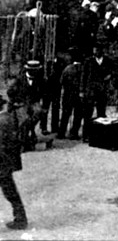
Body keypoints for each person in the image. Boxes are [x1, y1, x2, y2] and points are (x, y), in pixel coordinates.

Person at [0, 95, 27, 230]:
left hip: (2, 162)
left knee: (9, 191)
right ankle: (21, 218)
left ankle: (21, 219)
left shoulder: (2, 121)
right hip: (5, 162)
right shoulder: (6, 118)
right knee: (10, 191)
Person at [7, 61, 44, 152]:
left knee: (38, 112)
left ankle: (28, 132)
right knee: (24, 119)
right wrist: (15, 102)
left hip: (33, 102)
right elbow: (10, 92)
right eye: (32, 70)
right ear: (27, 69)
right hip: (21, 103)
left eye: (36, 70)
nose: (34, 72)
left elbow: (44, 93)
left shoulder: (40, 80)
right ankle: (24, 141)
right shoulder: (19, 80)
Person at [80, 45, 112, 142]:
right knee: (87, 114)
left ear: (101, 51)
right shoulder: (88, 61)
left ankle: (101, 135)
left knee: (101, 113)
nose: (95, 52)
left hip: (102, 91)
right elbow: (83, 76)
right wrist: (81, 90)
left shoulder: (107, 61)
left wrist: (109, 76)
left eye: (97, 50)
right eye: (94, 50)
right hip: (90, 91)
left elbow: (112, 72)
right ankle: (86, 135)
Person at [57, 48, 83, 140]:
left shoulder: (67, 69)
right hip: (79, 95)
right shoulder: (83, 69)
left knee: (65, 114)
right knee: (78, 114)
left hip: (68, 94)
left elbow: (61, 81)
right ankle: (74, 133)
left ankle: (61, 132)